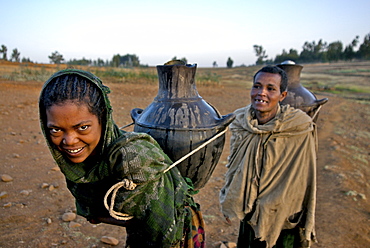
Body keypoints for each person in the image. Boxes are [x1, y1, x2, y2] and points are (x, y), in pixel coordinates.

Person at [39, 69, 205, 248]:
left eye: (83, 127)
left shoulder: (132, 158)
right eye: (56, 130)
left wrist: (98, 212)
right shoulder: (83, 164)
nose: (69, 141)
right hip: (142, 234)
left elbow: (157, 223)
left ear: (103, 116)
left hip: (177, 232)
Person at [219, 66, 317, 248]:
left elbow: (303, 178)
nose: (261, 93)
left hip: (283, 216)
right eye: (257, 86)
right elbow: (233, 168)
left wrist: (272, 201)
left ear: (282, 95)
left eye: (270, 89)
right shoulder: (241, 123)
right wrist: (230, 197)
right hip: (248, 211)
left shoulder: (298, 128)